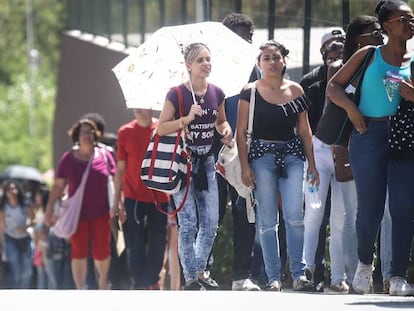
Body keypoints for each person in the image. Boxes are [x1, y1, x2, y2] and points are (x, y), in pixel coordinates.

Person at [327, 0, 414, 296]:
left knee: (403, 207)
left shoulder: (413, 60)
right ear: (387, 24)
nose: (410, 23)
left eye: (412, 18)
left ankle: (397, 275)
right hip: (368, 133)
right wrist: (352, 110)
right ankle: (365, 264)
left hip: (405, 138)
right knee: (370, 209)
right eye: (404, 18)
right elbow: (334, 87)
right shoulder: (369, 55)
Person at [305, 15, 385, 294]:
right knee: (316, 214)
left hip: (353, 148)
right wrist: (352, 108)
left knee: (347, 216)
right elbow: (333, 92)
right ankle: (308, 271)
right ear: (360, 38)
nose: (380, 37)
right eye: (374, 32)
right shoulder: (341, 66)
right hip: (326, 147)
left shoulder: (382, 64)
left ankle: (349, 276)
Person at [236, 40, 318, 291]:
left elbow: (304, 130)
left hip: (293, 156)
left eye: (276, 57)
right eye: (266, 58)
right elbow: (240, 132)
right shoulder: (249, 91)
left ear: (284, 61)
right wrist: (244, 166)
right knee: (267, 220)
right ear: (259, 64)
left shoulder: (296, 91)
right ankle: (273, 276)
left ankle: (298, 274)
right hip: (261, 157)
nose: (272, 62)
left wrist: (312, 164)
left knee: (295, 217)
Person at [157, 42, 232, 290]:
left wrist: (226, 131)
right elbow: (161, 128)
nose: (206, 64)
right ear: (188, 66)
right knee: (188, 223)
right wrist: (186, 119)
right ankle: (190, 277)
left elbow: (221, 122)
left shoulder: (217, 93)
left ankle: (200, 270)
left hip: (207, 163)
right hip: (183, 163)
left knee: (210, 222)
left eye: (208, 59)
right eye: (200, 60)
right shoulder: (176, 94)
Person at [209, 12, 261, 291]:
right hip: (212, 151)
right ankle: (201, 273)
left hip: (244, 150)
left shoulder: (258, 69)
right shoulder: (209, 67)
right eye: (242, 37)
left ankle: (242, 276)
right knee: (211, 214)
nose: (247, 42)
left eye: (250, 37)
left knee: (244, 212)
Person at [299, 27, 346, 291]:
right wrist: (310, 160)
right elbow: (303, 123)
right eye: (331, 45)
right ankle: (307, 269)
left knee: (340, 218)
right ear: (322, 50)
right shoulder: (310, 81)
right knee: (314, 212)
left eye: (340, 45)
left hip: (342, 152)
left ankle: (338, 275)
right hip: (316, 151)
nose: (336, 50)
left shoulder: (353, 76)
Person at [45, 118, 115, 290]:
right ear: (77, 136)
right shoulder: (68, 158)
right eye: (84, 132)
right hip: (77, 215)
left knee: (102, 251)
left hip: (101, 212)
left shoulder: (105, 156)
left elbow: (115, 182)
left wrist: (118, 205)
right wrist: (49, 209)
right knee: (79, 251)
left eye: (91, 132)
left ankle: (102, 282)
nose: (88, 135)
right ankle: (79, 288)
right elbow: (58, 186)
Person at [112, 108, 168, 290]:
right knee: (134, 241)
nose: (137, 108)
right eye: (135, 104)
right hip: (133, 195)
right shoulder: (125, 132)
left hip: (159, 194)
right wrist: (116, 203)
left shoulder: (163, 127)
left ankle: (152, 280)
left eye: (142, 104)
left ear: (151, 106)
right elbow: (120, 169)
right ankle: (140, 282)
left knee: (158, 240)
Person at [0, 180, 35, 288]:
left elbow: (33, 220)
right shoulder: (3, 207)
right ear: (5, 192)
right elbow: (1, 226)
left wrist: (26, 227)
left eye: (14, 189)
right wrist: (1, 246)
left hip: (25, 239)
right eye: (9, 190)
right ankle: (17, 291)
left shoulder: (25, 205)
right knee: (16, 267)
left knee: (27, 268)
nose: (12, 192)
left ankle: (24, 290)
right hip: (10, 239)